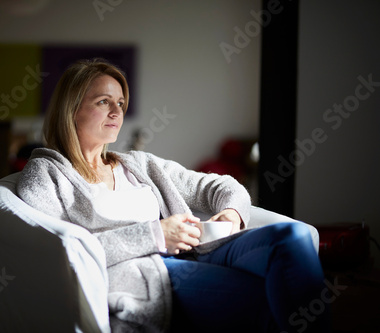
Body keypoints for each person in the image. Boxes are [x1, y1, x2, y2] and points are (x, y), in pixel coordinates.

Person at [17, 58, 330, 332]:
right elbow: (51, 255)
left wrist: (232, 213)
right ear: (71, 109)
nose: (117, 111)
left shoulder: (138, 164)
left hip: (196, 251)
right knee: (271, 301)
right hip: (148, 275)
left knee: (294, 236)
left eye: (121, 103)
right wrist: (154, 235)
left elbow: (223, 186)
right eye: (103, 101)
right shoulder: (46, 174)